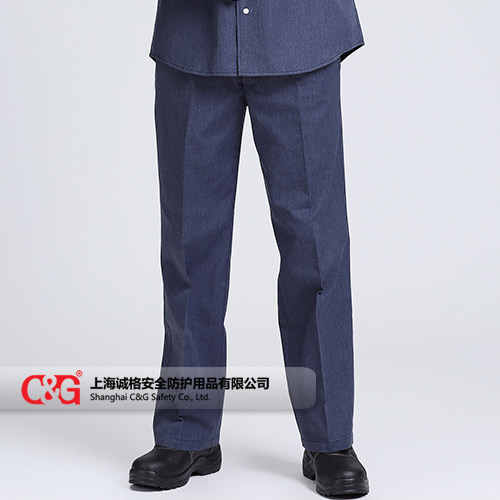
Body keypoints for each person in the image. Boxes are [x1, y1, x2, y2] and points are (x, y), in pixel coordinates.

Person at [130, 1, 369, 497]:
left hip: (300, 31)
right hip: (193, 38)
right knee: (189, 248)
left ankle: (329, 439)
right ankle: (188, 431)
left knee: (315, 249)